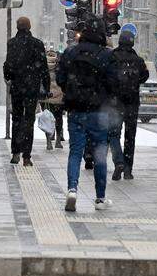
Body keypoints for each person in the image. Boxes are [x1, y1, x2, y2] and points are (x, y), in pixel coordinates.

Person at [56, 15, 118, 212]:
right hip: (99, 112)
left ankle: (72, 189)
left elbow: (60, 78)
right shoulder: (107, 55)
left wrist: (72, 92)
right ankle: (100, 198)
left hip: (76, 109)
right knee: (100, 154)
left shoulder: (71, 52)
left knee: (75, 152)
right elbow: (113, 83)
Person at [2, 17, 50, 167]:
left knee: (16, 119)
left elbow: (8, 64)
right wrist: (46, 88)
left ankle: (16, 152)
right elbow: (43, 68)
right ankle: (27, 156)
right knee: (29, 120)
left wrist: (9, 77)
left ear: (17, 27)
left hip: (17, 87)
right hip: (31, 88)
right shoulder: (37, 44)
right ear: (29, 27)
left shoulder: (12, 43)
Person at [109, 31, 149, 181]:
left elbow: (106, 76)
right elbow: (144, 76)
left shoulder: (112, 57)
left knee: (113, 134)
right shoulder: (138, 60)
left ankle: (118, 161)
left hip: (115, 103)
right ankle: (128, 169)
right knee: (130, 137)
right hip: (132, 102)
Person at [41, 48, 65, 149]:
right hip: (58, 97)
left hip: (46, 97)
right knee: (58, 118)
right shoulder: (59, 66)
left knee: (47, 119)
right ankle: (58, 140)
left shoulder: (42, 66)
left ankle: (48, 142)